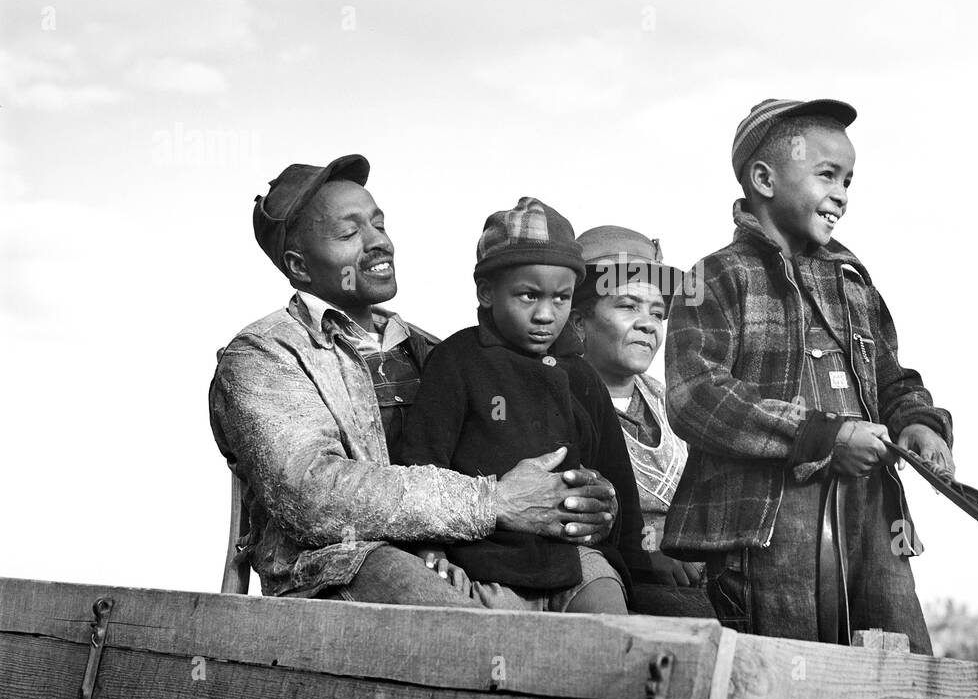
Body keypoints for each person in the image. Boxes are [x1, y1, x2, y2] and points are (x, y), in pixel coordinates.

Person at [209, 158, 619, 606]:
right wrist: (493, 501)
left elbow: (521, 453)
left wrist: (583, 501)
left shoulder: (438, 350)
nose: (378, 242)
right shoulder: (265, 354)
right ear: (299, 265)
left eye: (378, 224)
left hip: (472, 550)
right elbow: (312, 493)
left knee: (602, 586)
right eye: (350, 234)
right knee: (466, 628)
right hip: (341, 564)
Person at [661, 98, 955, 652]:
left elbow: (892, 378)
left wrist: (918, 424)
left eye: (849, 179)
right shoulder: (717, 276)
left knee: (903, 668)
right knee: (785, 677)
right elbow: (694, 396)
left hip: (873, 521)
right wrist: (821, 437)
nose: (842, 193)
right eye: (827, 175)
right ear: (764, 178)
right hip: (766, 527)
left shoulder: (852, 280)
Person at [395, 197, 651, 614]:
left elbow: (617, 476)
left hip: (573, 559)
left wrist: (638, 562)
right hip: (486, 562)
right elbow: (424, 460)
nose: (546, 315)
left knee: (611, 631)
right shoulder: (458, 361)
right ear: (487, 292)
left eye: (562, 298)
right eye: (528, 296)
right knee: (509, 661)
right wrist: (431, 549)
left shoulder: (581, 376)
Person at [567, 225, 713, 618]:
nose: (649, 324)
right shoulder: (561, 400)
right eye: (628, 306)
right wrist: (648, 551)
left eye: (657, 313)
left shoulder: (673, 401)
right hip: (623, 585)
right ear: (579, 322)